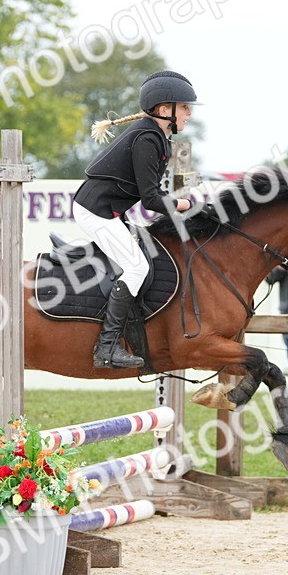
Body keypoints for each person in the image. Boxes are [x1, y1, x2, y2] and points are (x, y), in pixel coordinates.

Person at [74, 70, 200, 369]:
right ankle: (106, 348)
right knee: (136, 267)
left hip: (107, 211)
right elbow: (152, 200)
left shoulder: (156, 136)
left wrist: (185, 204)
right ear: (163, 109)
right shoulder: (147, 138)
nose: (189, 112)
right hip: (95, 212)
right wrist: (186, 203)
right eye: (184, 107)